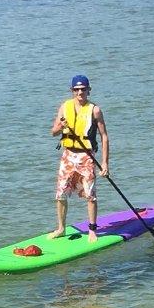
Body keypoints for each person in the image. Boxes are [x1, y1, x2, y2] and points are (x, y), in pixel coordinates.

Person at [49, 73, 109, 241]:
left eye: (83, 89)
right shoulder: (64, 107)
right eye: (77, 89)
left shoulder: (95, 110)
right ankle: (61, 228)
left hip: (86, 156)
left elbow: (104, 136)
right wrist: (60, 127)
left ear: (88, 90)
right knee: (60, 193)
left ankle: (92, 230)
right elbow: (53, 132)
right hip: (68, 155)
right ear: (72, 91)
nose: (80, 92)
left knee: (90, 194)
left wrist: (105, 164)